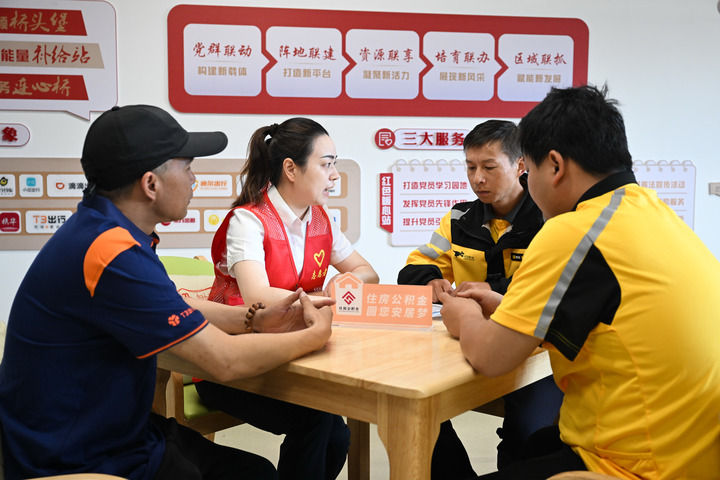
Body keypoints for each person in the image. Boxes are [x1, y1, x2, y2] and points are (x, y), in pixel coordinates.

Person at [0, 105, 336, 480]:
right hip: (75, 454)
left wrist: (254, 319)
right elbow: (225, 362)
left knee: (259, 468)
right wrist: (314, 335)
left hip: (110, 431)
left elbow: (176, 306)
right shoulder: (112, 254)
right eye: (187, 167)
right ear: (151, 184)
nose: (194, 180)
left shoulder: (108, 232)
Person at [440, 85, 720, 479]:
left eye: (529, 170)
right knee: (534, 444)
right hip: (692, 454)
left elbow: (490, 357)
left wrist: (463, 315)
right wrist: (506, 307)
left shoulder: (573, 230)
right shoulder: (653, 212)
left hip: (635, 466)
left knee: (438, 435)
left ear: (554, 166)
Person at [199, 117, 379, 480]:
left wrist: (341, 282)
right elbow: (259, 297)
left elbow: (368, 273)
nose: (335, 175)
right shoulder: (248, 221)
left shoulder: (321, 220)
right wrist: (322, 299)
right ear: (291, 169)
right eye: (326, 164)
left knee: (337, 435)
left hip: (293, 356)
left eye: (335, 164)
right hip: (230, 362)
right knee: (317, 420)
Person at [397, 120, 563, 476]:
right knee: (418, 412)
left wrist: (494, 291)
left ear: (520, 165)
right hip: (466, 346)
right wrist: (431, 282)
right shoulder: (460, 218)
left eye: (489, 167)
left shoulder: (549, 220)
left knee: (528, 434)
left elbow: (542, 288)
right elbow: (414, 266)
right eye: (470, 167)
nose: (478, 179)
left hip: (535, 355)